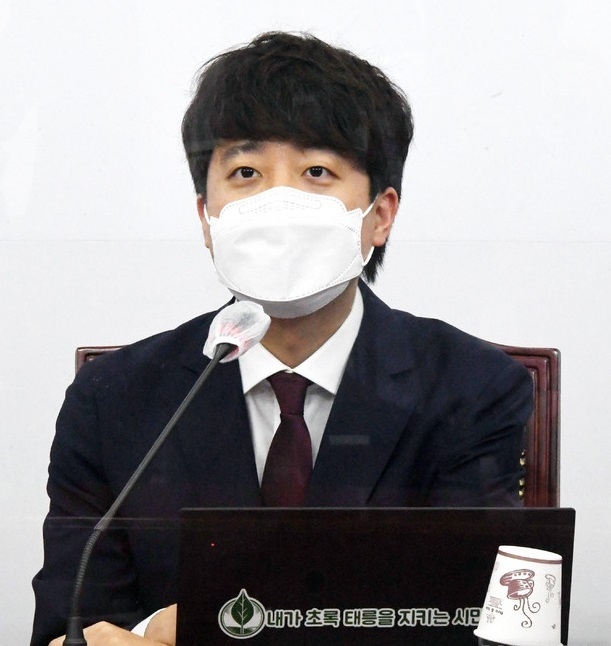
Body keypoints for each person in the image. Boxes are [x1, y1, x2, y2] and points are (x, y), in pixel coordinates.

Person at [31, 31, 533, 646]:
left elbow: (482, 620)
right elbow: (70, 622)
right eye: (245, 172)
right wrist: (143, 630)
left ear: (379, 215)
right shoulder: (113, 399)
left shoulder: (471, 389)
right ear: (207, 219)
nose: (278, 203)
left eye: (316, 171)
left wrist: (196, 629)